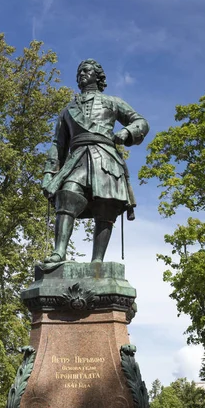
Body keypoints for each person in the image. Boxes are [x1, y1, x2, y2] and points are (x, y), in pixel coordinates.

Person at [42, 59, 149, 265]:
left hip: (106, 158)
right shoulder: (67, 111)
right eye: (79, 71)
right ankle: (59, 253)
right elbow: (58, 144)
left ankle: (97, 262)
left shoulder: (112, 102)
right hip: (77, 159)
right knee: (67, 194)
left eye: (87, 70)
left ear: (97, 76)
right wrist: (49, 174)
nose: (82, 73)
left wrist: (127, 132)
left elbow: (141, 122)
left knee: (106, 206)